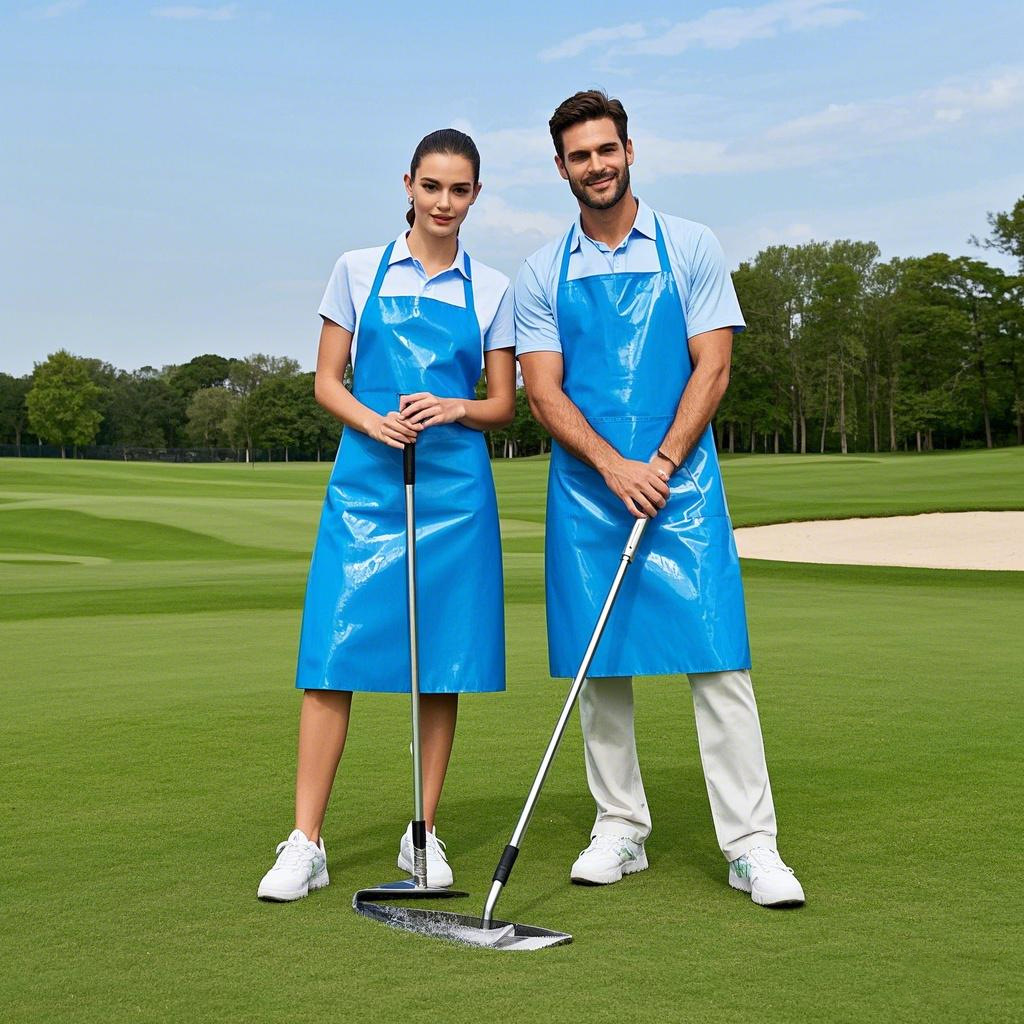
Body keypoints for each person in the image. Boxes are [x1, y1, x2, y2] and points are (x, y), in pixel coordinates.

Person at [514, 91, 805, 908]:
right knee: (598, 667)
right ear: (562, 167)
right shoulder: (543, 271)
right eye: (580, 155)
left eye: (607, 149)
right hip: (587, 488)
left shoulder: (692, 246)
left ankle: (753, 847)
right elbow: (544, 392)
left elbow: (712, 366)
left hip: (683, 486)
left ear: (630, 151)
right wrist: (614, 467)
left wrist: (664, 462)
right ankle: (620, 828)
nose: (596, 165)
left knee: (718, 661)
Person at [258, 129, 516, 902]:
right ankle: (306, 841)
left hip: (455, 495)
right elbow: (327, 381)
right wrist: (372, 421)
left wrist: (455, 406)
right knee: (332, 656)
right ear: (408, 184)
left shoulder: (492, 287)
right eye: (431, 187)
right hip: (366, 486)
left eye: (459, 190)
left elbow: (503, 404)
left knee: (441, 665)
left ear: (476, 194)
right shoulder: (356, 270)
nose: (444, 203)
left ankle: (422, 836)